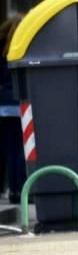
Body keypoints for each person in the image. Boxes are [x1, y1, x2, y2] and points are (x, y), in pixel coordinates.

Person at [0, 14, 26, 204]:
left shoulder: (1, 50)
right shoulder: (22, 49)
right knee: (21, 150)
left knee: (7, 149)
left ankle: (8, 190)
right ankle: (19, 190)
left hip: (2, 105)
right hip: (19, 105)